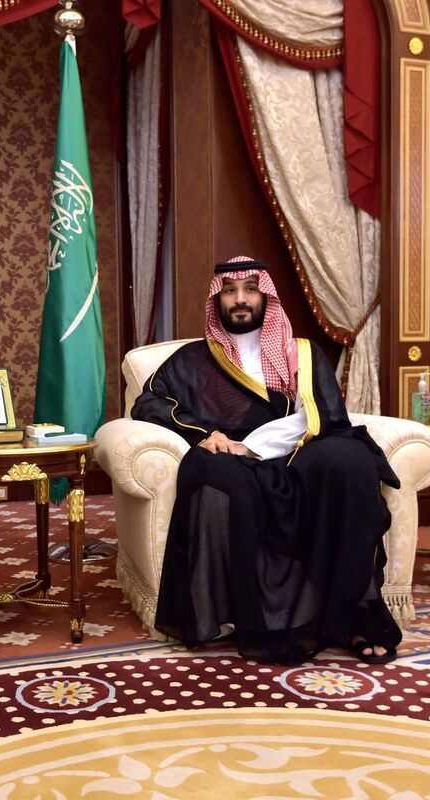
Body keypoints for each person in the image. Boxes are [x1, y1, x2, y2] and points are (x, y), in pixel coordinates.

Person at [131, 255, 402, 665]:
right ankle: (263, 623)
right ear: (217, 300)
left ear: (266, 298)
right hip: (235, 460)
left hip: (300, 453)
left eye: (250, 290)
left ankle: (357, 614)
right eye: (230, 291)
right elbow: (148, 404)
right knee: (211, 469)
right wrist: (206, 435)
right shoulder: (193, 360)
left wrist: (258, 445)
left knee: (350, 461)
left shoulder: (303, 353)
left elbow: (326, 417)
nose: (240, 299)